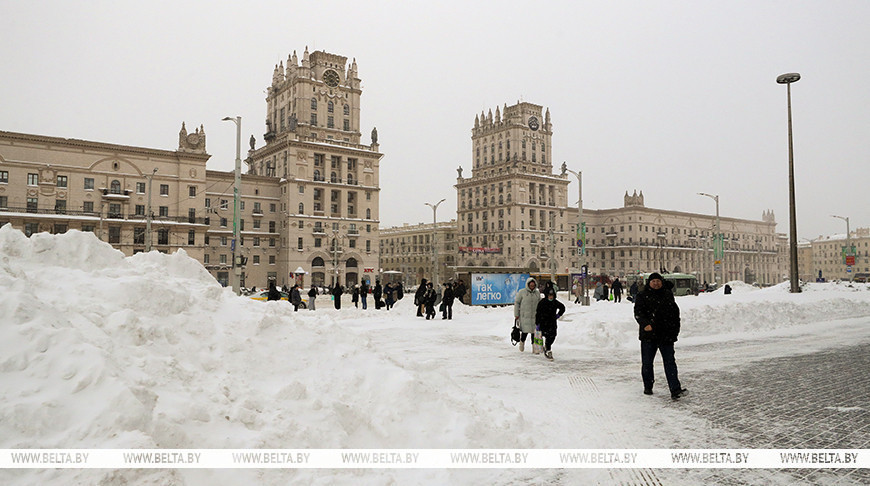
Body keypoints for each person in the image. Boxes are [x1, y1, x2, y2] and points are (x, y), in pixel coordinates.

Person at [633, 273, 686, 399]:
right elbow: (638, 312)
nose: (656, 283)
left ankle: (675, 389)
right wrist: (645, 324)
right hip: (649, 335)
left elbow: (674, 313)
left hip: (665, 335)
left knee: (670, 363)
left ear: (661, 282)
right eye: (653, 281)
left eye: (658, 281)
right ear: (649, 283)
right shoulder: (642, 295)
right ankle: (648, 386)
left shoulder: (667, 294)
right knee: (647, 363)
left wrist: (675, 330)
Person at [536, 287, 565, 360]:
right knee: (545, 335)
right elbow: (538, 313)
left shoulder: (555, 302)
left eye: (552, 295)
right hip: (543, 322)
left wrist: (558, 315)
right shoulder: (542, 302)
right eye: (549, 295)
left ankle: (547, 346)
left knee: (552, 336)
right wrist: (537, 323)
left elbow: (562, 307)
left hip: (552, 323)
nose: (551, 297)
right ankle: (548, 349)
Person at [513, 277, 541, 352]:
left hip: (534, 316)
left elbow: (540, 304)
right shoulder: (522, 292)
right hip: (525, 317)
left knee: (534, 333)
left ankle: (534, 348)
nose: (532, 287)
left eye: (533, 286)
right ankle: (522, 344)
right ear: (528, 285)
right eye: (531, 285)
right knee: (524, 332)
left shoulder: (537, 293)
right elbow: (517, 303)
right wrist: (516, 314)